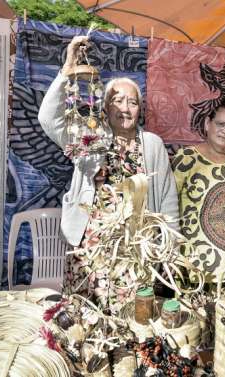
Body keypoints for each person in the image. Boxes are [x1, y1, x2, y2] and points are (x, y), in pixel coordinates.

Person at [38, 36, 179, 296]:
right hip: (90, 245)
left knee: (131, 318)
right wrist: (67, 69)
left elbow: (167, 198)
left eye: (133, 102)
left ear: (140, 110)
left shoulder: (152, 144)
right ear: (105, 106)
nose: (125, 108)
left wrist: (170, 249)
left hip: (136, 247)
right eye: (118, 100)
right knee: (86, 317)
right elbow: (48, 119)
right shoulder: (89, 137)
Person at [172, 98, 225, 282]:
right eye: (221, 124)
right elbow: (170, 206)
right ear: (208, 124)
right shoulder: (186, 158)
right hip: (195, 261)